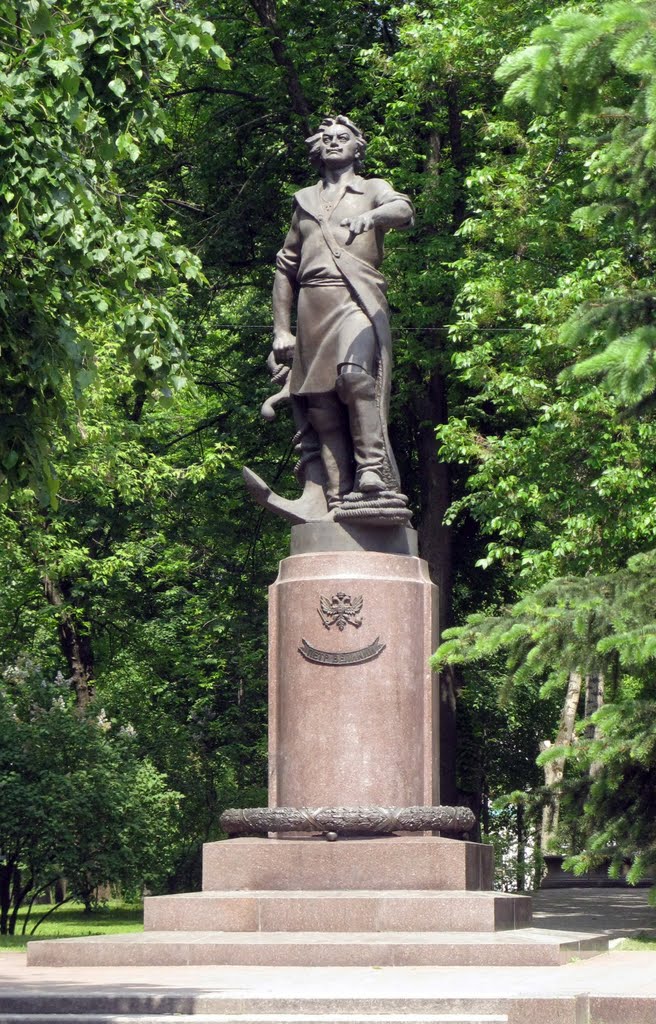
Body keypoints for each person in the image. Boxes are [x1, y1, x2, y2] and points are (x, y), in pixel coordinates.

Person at [243, 115, 413, 526]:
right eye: (327, 139)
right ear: (317, 150)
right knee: (319, 408)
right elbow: (285, 268)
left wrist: (372, 218)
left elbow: (403, 209)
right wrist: (281, 330)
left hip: (357, 299)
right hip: (313, 306)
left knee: (355, 378)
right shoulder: (304, 200)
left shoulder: (372, 190)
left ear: (358, 147)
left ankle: (372, 470)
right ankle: (336, 501)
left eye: (344, 138)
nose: (334, 143)